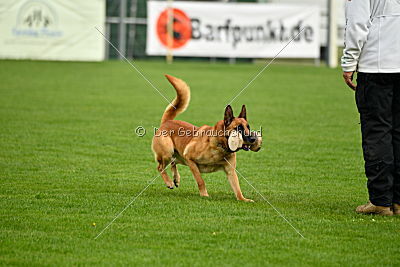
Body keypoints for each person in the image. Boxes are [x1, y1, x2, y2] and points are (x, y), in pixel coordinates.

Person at [341, 0, 400, 216]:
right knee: (398, 132)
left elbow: (357, 23)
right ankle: (398, 202)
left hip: (377, 65)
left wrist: (349, 62)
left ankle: (381, 201)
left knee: (377, 131)